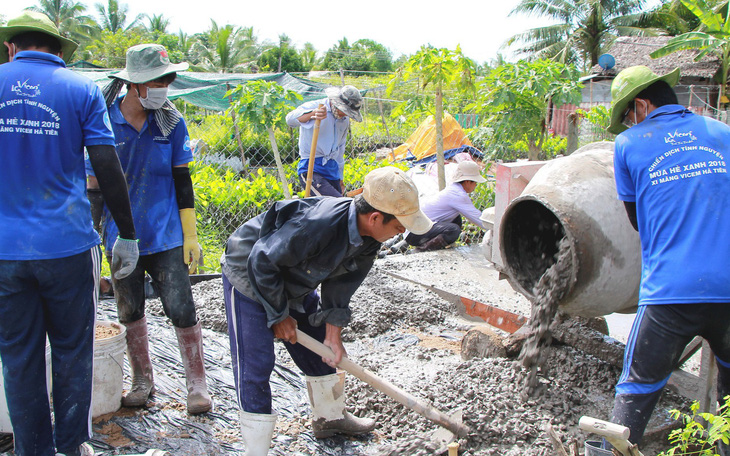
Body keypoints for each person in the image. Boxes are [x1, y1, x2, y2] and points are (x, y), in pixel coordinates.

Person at [0, 11, 139, 456]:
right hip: (67, 247)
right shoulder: (80, 89)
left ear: (10, 47)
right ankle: (72, 446)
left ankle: (31, 450)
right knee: (71, 350)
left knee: (18, 357)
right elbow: (105, 164)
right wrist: (128, 234)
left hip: (4, 251)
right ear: (59, 51)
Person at [221, 166, 433, 453]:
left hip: (292, 275)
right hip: (250, 272)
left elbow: (343, 283)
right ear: (375, 217)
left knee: (321, 347)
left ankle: (329, 418)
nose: (402, 232)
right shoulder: (317, 224)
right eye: (399, 226)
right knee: (256, 363)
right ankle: (256, 449)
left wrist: (333, 334)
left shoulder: (370, 238)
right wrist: (279, 315)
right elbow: (262, 260)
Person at [607, 65, 730, 452]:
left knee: (637, 388)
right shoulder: (722, 134)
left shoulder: (628, 145)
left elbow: (637, 220)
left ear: (641, 106)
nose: (628, 125)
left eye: (627, 117)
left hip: (669, 293)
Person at [86, 43, 212, 414]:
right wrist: (94, 235)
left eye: (166, 82)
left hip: (167, 234)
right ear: (134, 84)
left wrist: (190, 233)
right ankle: (143, 380)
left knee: (181, 306)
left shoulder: (170, 122)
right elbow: (94, 184)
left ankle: (197, 384)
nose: (163, 89)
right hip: (120, 236)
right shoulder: (105, 120)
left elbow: (182, 178)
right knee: (129, 308)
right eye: (157, 82)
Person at [286, 85, 363, 197]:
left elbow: (340, 150)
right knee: (338, 205)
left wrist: (340, 179)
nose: (346, 114)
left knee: (335, 206)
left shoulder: (344, 121)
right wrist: (312, 114)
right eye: (345, 111)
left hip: (332, 170)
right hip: (312, 168)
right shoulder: (318, 106)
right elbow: (290, 120)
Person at [404, 160, 488, 252]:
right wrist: (497, 228)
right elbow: (477, 218)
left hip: (416, 230)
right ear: (468, 181)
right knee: (453, 230)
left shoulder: (453, 189)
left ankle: (431, 245)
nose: (476, 185)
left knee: (456, 218)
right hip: (415, 234)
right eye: (475, 182)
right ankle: (421, 250)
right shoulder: (458, 195)